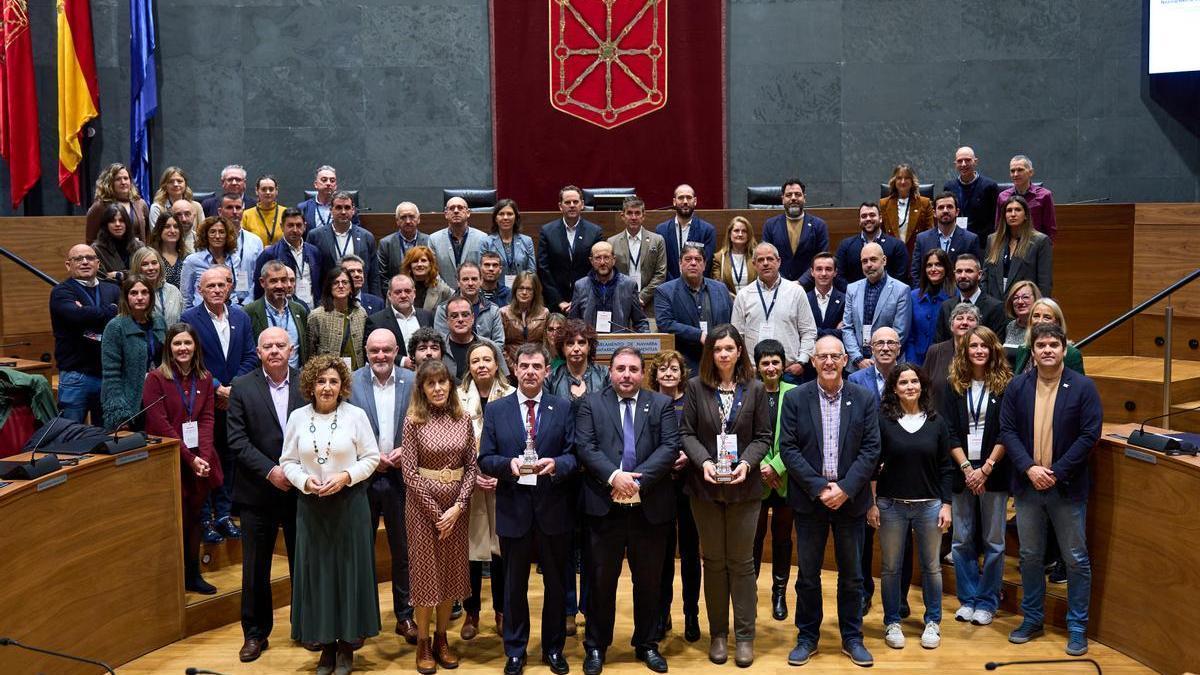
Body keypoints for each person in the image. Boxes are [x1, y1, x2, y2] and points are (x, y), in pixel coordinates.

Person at [576, 347, 679, 675]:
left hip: (649, 508)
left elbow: (669, 446)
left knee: (648, 582)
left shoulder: (660, 404)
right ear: (610, 371)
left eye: (633, 369)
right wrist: (614, 476)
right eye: (620, 368)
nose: (626, 374)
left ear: (642, 373)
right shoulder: (591, 403)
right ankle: (596, 646)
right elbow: (585, 446)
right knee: (600, 581)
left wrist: (636, 480)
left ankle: (647, 643)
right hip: (604, 508)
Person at [1000, 323, 1101, 657]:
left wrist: (1056, 472)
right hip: (1028, 485)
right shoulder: (1018, 386)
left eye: (1053, 345)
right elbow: (1008, 431)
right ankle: (1032, 620)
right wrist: (1029, 468)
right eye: (1041, 345)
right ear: (1032, 351)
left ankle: (1077, 628)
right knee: (1030, 556)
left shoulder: (1083, 387)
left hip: (1066, 487)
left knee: (1075, 559)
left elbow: (1090, 434)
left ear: (1064, 349)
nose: (1047, 350)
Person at [778, 335, 878, 668]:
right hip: (810, 501)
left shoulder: (863, 398)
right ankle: (807, 637)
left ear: (846, 360)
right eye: (823, 356)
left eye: (836, 356)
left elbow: (871, 449)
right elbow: (788, 448)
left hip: (851, 501)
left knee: (852, 576)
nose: (829, 362)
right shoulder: (796, 398)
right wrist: (821, 488)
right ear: (813, 361)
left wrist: (845, 489)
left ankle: (852, 637)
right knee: (808, 575)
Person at [478, 342, 577, 675]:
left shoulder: (562, 407)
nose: (530, 372)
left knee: (556, 585)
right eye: (525, 366)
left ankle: (553, 649)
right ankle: (516, 651)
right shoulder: (497, 410)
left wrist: (557, 464)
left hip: (554, 508)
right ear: (515, 370)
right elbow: (485, 458)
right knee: (513, 586)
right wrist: (508, 466)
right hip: (514, 509)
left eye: (537, 366)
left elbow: (574, 455)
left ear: (547, 371)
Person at [280, 354, 382, 674]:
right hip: (312, 507)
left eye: (334, 381)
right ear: (311, 385)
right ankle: (325, 646)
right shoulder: (297, 417)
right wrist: (304, 481)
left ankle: (347, 646)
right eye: (321, 381)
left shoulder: (356, 416)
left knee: (349, 574)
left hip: (350, 504)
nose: (327, 387)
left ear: (342, 386)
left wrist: (346, 476)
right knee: (320, 576)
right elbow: (287, 461)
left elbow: (371, 457)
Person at [680, 325, 772, 667]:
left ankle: (745, 636)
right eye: (717, 349)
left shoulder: (756, 388)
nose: (723, 354)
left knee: (742, 563)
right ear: (710, 353)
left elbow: (763, 436)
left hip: (744, 489)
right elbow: (686, 433)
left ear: (739, 351)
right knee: (714, 562)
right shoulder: (695, 387)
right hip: (704, 487)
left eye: (729, 348)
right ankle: (718, 633)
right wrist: (704, 461)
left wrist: (746, 463)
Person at [226, 326, 302, 663]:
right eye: (267, 346)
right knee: (255, 568)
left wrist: (296, 473)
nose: (274, 351)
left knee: (303, 563)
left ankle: (306, 626)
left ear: (291, 350)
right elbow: (237, 440)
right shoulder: (242, 386)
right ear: (258, 352)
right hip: (257, 490)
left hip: (300, 490)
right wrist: (271, 471)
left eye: (280, 345)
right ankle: (255, 634)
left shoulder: (306, 382)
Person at [867, 364, 955, 651]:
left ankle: (933, 622)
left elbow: (946, 467)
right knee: (891, 568)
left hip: (929, 505)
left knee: (932, 568)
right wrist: (872, 503)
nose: (909, 386)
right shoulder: (883, 421)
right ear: (894, 389)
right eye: (903, 382)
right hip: (891, 505)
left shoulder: (937, 421)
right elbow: (872, 465)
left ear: (922, 385)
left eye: (914, 381)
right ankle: (892, 622)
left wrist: (946, 505)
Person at [399, 358, 478, 674]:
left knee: (449, 575)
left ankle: (442, 639)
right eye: (430, 383)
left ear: (450, 385)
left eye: (442, 382)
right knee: (426, 576)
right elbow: (409, 472)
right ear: (422, 388)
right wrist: (437, 514)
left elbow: (471, 467)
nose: (437, 388)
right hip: (422, 511)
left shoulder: (463, 418)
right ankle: (423, 641)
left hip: (457, 510)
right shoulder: (413, 421)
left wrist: (457, 508)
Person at [350, 329, 418, 643]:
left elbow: (424, 422)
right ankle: (363, 620)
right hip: (362, 478)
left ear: (396, 350)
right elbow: (342, 427)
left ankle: (405, 616)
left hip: (401, 478)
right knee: (361, 552)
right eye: (374, 350)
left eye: (386, 350)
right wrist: (368, 456)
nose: (380, 356)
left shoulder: (412, 380)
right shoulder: (351, 382)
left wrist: (409, 449)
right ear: (366, 351)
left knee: (403, 551)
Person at [143, 322, 222, 595]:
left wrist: (205, 456)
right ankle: (169, 579)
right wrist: (190, 458)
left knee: (196, 517)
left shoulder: (205, 378)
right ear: (169, 347)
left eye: (187, 342)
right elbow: (159, 424)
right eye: (177, 343)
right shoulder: (156, 379)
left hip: (199, 460)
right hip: (170, 459)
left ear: (195, 346)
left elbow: (208, 419)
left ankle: (193, 574)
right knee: (173, 519)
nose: (183, 348)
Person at [942, 326, 1012, 627]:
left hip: (994, 471)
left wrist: (986, 468)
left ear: (993, 349)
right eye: (973, 346)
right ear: (965, 350)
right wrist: (968, 469)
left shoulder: (1006, 385)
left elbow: (1008, 431)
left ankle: (987, 601)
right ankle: (968, 599)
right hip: (962, 472)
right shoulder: (954, 385)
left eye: (984, 345)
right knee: (961, 540)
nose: (979, 351)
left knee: (994, 541)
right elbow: (948, 431)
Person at [182, 267, 258, 544]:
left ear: (229, 288)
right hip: (202, 400)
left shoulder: (241, 316)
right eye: (210, 286)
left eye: (221, 285)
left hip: (233, 400)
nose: (216, 289)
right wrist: (216, 387)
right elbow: (190, 359)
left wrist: (233, 388)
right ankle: (204, 518)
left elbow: (251, 355)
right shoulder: (189, 318)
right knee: (204, 457)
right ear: (199, 290)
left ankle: (224, 515)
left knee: (229, 458)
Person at [456, 340, 513, 642]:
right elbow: (452, 443)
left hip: (503, 483)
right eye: (475, 360)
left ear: (496, 363)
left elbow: (518, 441)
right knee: (471, 551)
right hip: (468, 485)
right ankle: (472, 611)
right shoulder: (456, 398)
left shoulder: (512, 394)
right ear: (469, 366)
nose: (481, 365)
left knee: (500, 550)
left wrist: (501, 474)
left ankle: (502, 611)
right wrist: (473, 474)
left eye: (487, 359)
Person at [648, 349, 701, 644]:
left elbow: (702, 436)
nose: (668, 373)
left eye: (674, 369)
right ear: (655, 374)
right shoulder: (647, 402)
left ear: (682, 374)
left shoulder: (692, 401)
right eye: (663, 369)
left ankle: (691, 614)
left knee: (691, 554)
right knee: (662, 555)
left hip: (691, 484)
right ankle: (661, 613)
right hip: (659, 487)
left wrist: (689, 457)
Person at [749, 340, 796, 622]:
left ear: (783, 365)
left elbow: (801, 436)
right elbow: (741, 435)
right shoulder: (747, 392)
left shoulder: (796, 393)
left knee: (782, 538)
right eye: (765, 363)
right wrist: (762, 467)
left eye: (775, 362)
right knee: (753, 538)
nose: (770, 368)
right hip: (755, 478)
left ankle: (779, 593)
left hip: (786, 479)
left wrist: (777, 466)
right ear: (757, 366)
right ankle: (750, 592)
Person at [50, 244, 120, 423]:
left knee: (106, 433)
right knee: (70, 432)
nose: (85, 262)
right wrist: (111, 310)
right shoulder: (61, 291)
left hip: (107, 375)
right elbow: (77, 316)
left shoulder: (112, 289)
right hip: (76, 375)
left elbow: (122, 319)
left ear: (98, 263)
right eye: (78, 259)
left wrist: (87, 312)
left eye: (89, 258)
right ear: (68, 265)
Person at [732, 242, 817, 385]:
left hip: (789, 371)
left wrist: (802, 362)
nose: (765, 263)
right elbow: (737, 336)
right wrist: (745, 365)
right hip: (754, 372)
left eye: (770, 259)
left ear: (779, 262)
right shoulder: (743, 295)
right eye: (760, 260)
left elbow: (808, 331)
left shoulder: (796, 292)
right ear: (754, 264)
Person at [654, 243, 734, 372]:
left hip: (719, 360)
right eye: (688, 259)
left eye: (698, 259)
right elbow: (665, 323)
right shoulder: (664, 291)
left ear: (704, 264)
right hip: (685, 362)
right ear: (680, 263)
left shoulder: (720, 288)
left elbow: (731, 320)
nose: (693, 263)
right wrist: (698, 335)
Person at [101, 275, 166, 429]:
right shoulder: (115, 326)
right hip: (130, 402)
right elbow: (111, 374)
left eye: (144, 292)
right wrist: (119, 412)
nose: (140, 297)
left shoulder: (159, 321)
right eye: (134, 293)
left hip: (158, 397)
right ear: (126, 297)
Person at [842, 242, 911, 371]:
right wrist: (858, 359)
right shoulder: (852, 289)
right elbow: (847, 328)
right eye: (864, 261)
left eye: (873, 259)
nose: (869, 265)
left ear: (884, 260)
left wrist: (875, 361)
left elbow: (899, 332)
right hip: (856, 366)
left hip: (888, 366)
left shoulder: (901, 290)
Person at [538, 185, 603, 312]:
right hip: (555, 303)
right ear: (560, 206)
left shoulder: (594, 232)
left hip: (587, 300)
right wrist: (558, 301)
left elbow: (597, 267)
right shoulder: (547, 231)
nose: (572, 205)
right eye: (567, 202)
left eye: (575, 202)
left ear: (582, 204)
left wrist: (580, 298)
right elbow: (543, 269)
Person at [569, 241, 649, 333]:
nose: (602, 262)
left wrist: (647, 339)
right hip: (590, 340)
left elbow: (640, 322)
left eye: (606, 257)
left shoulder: (629, 285)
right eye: (598, 258)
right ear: (591, 261)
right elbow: (573, 322)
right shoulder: (580, 286)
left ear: (614, 260)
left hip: (619, 340)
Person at [984, 195, 1053, 300]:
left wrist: (1040, 305)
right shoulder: (993, 240)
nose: (1013, 214)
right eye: (1009, 210)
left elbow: (1045, 283)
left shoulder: (1040, 241)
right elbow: (985, 277)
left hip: (1024, 303)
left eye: (1018, 210)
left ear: (1026, 215)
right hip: (994, 303)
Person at [308, 191, 379, 296]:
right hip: (328, 296)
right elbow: (312, 273)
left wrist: (376, 299)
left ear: (353, 210)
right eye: (338, 208)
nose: (343, 212)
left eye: (347, 207)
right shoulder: (315, 236)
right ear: (331, 210)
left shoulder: (366, 237)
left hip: (359, 295)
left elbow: (374, 275)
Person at [245, 260, 310, 369]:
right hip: (263, 377)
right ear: (262, 282)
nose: (280, 286)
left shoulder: (299, 310)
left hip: (296, 377)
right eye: (274, 281)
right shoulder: (249, 313)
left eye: (283, 280)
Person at [608, 196, 667, 317]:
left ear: (643, 216)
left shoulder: (657, 240)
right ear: (622, 216)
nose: (633, 217)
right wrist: (626, 297)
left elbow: (661, 274)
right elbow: (610, 274)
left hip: (649, 303)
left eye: (637, 213)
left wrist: (642, 296)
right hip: (620, 302)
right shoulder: (612, 242)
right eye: (629, 213)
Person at [252, 207, 323, 308]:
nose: (295, 230)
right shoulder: (269, 254)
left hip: (312, 309)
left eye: (299, 225)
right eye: (290, 225)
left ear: (305, 226)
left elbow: (320, 284)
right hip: (283, 310)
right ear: (282, 226)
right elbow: (259, 290)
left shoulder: (314, 252)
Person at [761, 178, 829, 282]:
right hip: (778, 285)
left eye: (797, 194)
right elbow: (767, 258)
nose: (793, 198)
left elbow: (821, 259)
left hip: (809, 286)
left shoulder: (819, 225)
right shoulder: (770, 225)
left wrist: (801, 283)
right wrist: (784, 284)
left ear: (804, 198)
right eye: (789, 195)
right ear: (783, 199)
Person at [910, 192, 982, 285]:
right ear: (934, 213)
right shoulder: (922, 239)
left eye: (949, 207)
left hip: (959, 291)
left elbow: (975, 271)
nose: (945, 210)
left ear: (957, 212)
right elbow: (916, 271)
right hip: (929, 292)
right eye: (941, 207)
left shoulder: (970, 239)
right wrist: (921, 292)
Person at [934, 254, 1007, 342]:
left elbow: (996, 345)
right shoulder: (946, 307)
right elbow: (939, 344)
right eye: (959, 271)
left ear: (979, 274)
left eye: (969, 271)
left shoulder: (995, 307)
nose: (963, 276)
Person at [307, 267, 369, 371]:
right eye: (336, 283)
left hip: (357, 372)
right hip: (327, 373)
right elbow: (310, 352)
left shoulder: (360, 313)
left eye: (345, 282)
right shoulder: (317, 316)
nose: (340, 286)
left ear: (351, 287)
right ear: (329, 287)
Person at [366, 274, 434, 367]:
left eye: (407, 291)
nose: (403, 295)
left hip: (425, 370)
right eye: (398, 292)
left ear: (414, 293)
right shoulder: (376, 321)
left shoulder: (427, 316)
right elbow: (370, 352)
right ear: (389, 295)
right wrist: (402, 361)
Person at [835, 202, 909, 286]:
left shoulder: (897, 246)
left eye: (872, 215)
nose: (868, 219)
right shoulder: (846, 246)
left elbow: (901, 277)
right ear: (859, 220)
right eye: (864, 216)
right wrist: (853, 292)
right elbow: (839, 276)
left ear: (880, 218)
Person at [433, 263, 506, 346]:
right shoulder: (443, 309)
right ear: (458, 282)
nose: (470, 283)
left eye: (474, 279)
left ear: (481, 281)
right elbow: (441, 343)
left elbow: (499, 343)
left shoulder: (492, 310)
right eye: (465, 279)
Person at [923, 303, 980, 410]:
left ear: (978, 327)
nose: (964, 323)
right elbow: (923, 387)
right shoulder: (935, 351)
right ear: (951, 326)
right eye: (959, 318)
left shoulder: (982, 354)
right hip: (938, 414)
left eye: (970, 319)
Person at [545, 319, 609, 410]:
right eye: (570, 343)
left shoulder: (604, 374)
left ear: (589, 347)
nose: (576, 349)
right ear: (562, 348)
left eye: (581, 343)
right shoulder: (552, 378)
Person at [656, 183, 717, 280]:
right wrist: (674, 285)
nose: (685, 201)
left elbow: (706, 264)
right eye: (681, 198)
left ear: (695, 201)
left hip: (697, 285)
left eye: (689, 197)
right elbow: (661, 265)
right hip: (669, 286)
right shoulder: (661, 230)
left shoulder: (707, 230)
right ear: (674, 202)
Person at [906, 247, 953, 366]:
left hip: (946, 361)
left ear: (946, 268)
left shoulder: (955, 296)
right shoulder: (913, 296)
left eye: (938, 265)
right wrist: (912, 364)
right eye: (929, 265)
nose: (933, 269)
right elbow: (909, 335)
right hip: (917, 361)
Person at [1012, 298, 1085, 375]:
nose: (1040, 321)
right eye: (1036, 316)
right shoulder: (1023, 349)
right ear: (1030, 320)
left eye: (1047, 317)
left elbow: (1078, 382)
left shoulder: (1072, 355)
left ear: (1057, 322)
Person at [430, 196, 489, 290]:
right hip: (444, 294)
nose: (456, 211)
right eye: (452, 208)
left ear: (468, 213)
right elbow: (433, 272)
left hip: (474, 292)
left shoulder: (482, 238)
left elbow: (485, 269)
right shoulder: (434, 239)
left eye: (460, 208)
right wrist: (448, 292)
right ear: (446, 214)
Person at [942, 146, 999, 241]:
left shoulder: (989, 186)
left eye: (967, 160)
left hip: (983, 241)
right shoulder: (949, 187)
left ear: (975, 162)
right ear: (955, 164)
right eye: (959, 161)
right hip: (957, 240)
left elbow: (995, 219)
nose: (963, 164)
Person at [218, 192, 265, 307]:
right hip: (221, 302)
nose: (235, 212)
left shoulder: (255, 241)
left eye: (238, 208)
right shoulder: (215, 241)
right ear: (220, 211)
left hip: (250, 303)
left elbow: (260, 275)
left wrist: (249, 302)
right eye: (229, 207)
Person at [181, 216, 238, 309]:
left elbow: (237, 290)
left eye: (222, 232)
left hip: (230, 310)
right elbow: (186, 297)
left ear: (227, 235)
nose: (217, 236)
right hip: (201, 313)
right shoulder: (192, 261)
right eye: (212, 232)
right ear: (205, 235)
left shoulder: (235, 259)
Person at [995, 155, 1056, 241]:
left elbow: (1050, 229)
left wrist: (1044, 247)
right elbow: (999, 227)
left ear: (1031, 172)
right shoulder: (1003, 197)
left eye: (1020, 170)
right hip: (1010, 244)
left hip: (1035, 245)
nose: (1015, 174)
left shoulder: (1044, 196)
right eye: (1012, 171)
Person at [499, 271, 550, 376]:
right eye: (521, 288)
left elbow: (547, 345)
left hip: (536, 368)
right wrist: (514, 368)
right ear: (515, 290)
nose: (524, 292)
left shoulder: (544, 313)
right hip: (510, 370)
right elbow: (501, 346)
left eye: (529, 289)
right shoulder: (503, 313)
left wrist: (538, 367)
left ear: (535, 292)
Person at [85, 162, 150, 243]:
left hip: (137, 250)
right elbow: (90, 239)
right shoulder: (100, 206)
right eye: (118, 179)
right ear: (109, 183)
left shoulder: (140, 204)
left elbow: (148, 235)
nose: (123, 182)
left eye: (126, 178)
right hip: (109, 250)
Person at [878, 163, 933, 252]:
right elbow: (880, 233)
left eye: (907, 178)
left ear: (912, 181)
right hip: (892, 253)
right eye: (899, 178)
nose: (903, 182)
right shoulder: (884, 203)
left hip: (916, 253)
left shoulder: (924, 203)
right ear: (894, 181)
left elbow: (930, 233)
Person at [378, 201, 432, 291]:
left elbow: (434, 271)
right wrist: (394, 294)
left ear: (418, 219)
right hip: (397, 294)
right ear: (397, 221)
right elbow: (382, 276)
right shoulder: (386, 244)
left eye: (411, 216)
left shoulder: (429, 241)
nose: (408, 221)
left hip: (425, 293)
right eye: (403, 217)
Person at [480, 198, 536, 281]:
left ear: (516, 217)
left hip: (521, 287)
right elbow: (482, 271)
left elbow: (531, 271)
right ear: (495, 218)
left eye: (509, 214)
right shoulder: (486, 242)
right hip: (495, 287)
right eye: (501, 214)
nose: (505, 217)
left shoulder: (527, 241)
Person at [131, 246, 184, 326]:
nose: (151, 268)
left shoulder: (174, 291)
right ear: (137, 267)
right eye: (145, 264)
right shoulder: (132, 294)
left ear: (160, 265)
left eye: (154, 263)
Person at [92, 203, 143, 281]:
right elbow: (101, 277)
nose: (117, 224)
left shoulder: (139, 246)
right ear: (106, 224)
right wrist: (132, 274)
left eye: (121, 220)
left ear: (127, 223)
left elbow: (144, 272)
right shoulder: (96, 249)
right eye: (112, 221)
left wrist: (120, 275)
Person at [297, 165, 356, 233]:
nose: (328, 183)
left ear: (336, 186)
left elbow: (356, 232)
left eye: (332, 181)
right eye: (324, 180)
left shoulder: (347, 208)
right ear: (316, 184)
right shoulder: (303, 208)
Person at [148, 166, 204, 233]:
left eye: (179, 181)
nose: (175, 184)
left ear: (185, 184)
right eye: (171, 182)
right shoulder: (157, 208)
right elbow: (155, 235)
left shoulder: (196, 207)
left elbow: (202, 233)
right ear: (164, 185)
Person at [711, 216, 758, 295]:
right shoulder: (719, 257)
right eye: (736, 231)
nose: (740, 234)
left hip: (752, 299)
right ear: (729, 234)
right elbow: (717, 284)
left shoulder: (756, 256)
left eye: (744, 231)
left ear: (748, 235)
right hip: (728, 299)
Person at [401, 245, 456, 312]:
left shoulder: (443, 290)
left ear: (430, 264)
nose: (419, 264)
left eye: (423, 261)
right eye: (415, 261)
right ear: (409, 265)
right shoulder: (400, 288)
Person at [148, 211, 191, 289]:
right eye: (167, 227)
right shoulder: (151, 257)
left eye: (176, 227)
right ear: (159, 230)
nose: (172, 231)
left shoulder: (187, 257)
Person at [806, 252, 845, 338]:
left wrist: (813, 331)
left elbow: (844, 332)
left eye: (828, 269)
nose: (823, 273)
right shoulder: (804, 299)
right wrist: (834, 331)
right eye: (819, 269)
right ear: (812, 272)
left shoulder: (845, 300)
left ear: (835, 272)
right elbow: (800, 331)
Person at [241, 175, 285, 246]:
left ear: (276, 191)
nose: (268, 192)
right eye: (263, 189)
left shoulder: (285, 213)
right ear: (257, 191)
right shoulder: (246, 215)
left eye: (271, 189)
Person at [1002, 280, 1042, 349]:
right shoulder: (1010, 326)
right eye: (1015, 298)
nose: (1020, 302)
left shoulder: (1042, 326)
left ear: (1036, 299)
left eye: (1025, 297)